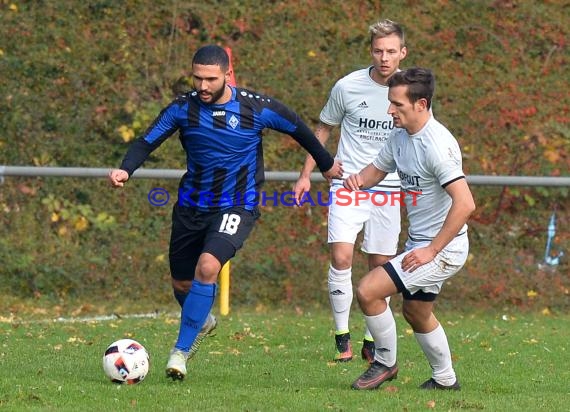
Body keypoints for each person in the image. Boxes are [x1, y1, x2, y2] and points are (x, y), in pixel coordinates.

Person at [108, 44, 343, 381]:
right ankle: (202, 319)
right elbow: (147, 141)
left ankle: (180, 353)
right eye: (197, 78)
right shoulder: (181, 109)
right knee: (181, 282)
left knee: (208, 266)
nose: (202, 86)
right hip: (191, 207)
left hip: (237, 205)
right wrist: (125, 170)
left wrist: (325, 163)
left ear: (227, 74)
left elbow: (298, 128)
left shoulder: (255, 108)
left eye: (211, 79)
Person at [343, 67, 475, 390]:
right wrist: (356, 180)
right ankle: (445, 380)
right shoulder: (400, 136)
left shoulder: (437, 145)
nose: (390, 111)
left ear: (421, 104)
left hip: (443, 248)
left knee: (368, 290)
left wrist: (432, 250)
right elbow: (377, 170)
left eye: (397, 105)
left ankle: (384, 363)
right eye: (390, 103)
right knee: (416, 311)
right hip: (421, 243)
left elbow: (465, 204)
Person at [293, 19, 407, 363]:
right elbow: (323, 129)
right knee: (341, 257)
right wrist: (306, 174)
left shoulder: (412, 89)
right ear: (370, 51)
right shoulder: (347, 87)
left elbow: (421, 137)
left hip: (389, 189)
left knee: (380, 268)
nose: (384, 58)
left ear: (403, 53)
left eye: (391, 51)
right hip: (349, 186)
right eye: (378, 51)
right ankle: (341, 333)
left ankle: (372, 340)